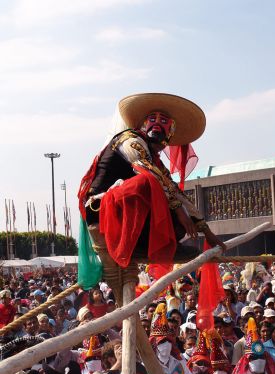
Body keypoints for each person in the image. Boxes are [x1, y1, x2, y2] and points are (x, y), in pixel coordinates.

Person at [78, 93, 226, 278]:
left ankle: (149, 247)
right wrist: (178, 209)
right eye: (152, 119)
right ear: (143, 124)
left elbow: (173, 189)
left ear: (170, 131)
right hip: (102, 208)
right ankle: (141, 248)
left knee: (177, 214)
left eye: (164, 121)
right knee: (145, 182)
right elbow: (147, 172)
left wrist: (205, 230)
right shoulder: (130, 139)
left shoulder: (155, 159)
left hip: (121, 208)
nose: (157, 124)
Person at [149, 303, 197, 374]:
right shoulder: (147, 364)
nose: (165, 345)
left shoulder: (179, 360)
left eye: (168, 341)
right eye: (161, 342)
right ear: (155, 344)